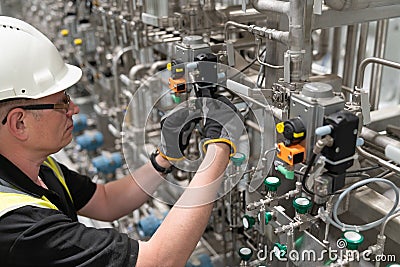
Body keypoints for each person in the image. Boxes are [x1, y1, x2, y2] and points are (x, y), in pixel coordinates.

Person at [0, 16, 242, 266]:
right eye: (63, 102)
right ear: (20, 123)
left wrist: (165, 158)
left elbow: (106, 201)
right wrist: (219, 147)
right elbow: (158, 262)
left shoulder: (34, 166)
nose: (74, 109)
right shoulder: (18, 225)